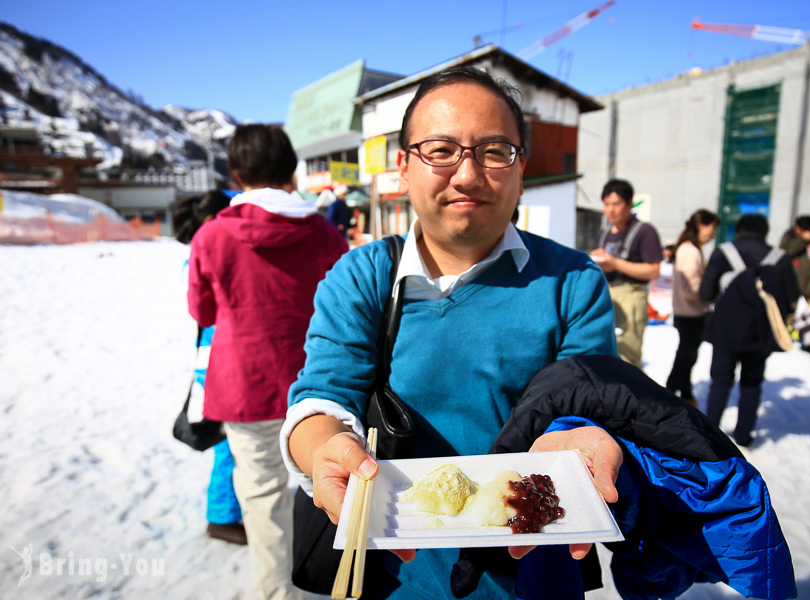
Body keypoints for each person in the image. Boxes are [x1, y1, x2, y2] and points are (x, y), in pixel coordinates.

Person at [279, 66, 621, 599]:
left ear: (521, 168)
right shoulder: (363, 276)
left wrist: (576, 443)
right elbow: (322, 396)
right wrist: (325, 449)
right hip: (395, 570)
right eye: (440, 150)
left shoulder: (573, 282)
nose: (467, 175)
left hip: (535, 566)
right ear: (404, 167)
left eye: (494, 151)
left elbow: (587, 403)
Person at [188, 124, 348, 600]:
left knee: (263, 501)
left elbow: (202, 311)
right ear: (292, 170)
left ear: (235, 173)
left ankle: (278, 593)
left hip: (245, 387)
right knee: (325, 490)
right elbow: (348, 309)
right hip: (320, 386)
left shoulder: (213, 235)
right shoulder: (324, 233)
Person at [173, 189, 247, 546]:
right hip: (217, 359)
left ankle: (227, 510)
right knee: (225, 444)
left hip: (219, 356)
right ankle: (221, 516)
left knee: (230, 444)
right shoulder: (207, 253)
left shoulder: (207, 249)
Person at [699, 214, 800, 447]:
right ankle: (743, 436)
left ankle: (710, 435)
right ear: (766, 233)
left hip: (726, 330)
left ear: (739, 232)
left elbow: (705, 292)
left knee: (720, 381)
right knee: (751, 384)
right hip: (760, 332)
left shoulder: (724, 252)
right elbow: (792, 297)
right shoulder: (780, 258)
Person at [589, 179, 663, 368]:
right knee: (603, 352)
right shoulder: (605, 231)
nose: (610, 210)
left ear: (629, 203)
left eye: (616, 204)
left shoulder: (644, 231)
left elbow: (654, 270)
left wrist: (615, 263)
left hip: (631, 294)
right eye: (606, 204)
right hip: (607, 293)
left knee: (627, 356)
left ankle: (632, 396)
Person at [664, 209, 720, 407]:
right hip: (691, 313)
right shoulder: (691, 251)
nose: (712, 234)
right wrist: (708, 296)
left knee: (687, 356)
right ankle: (667, 398)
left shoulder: (687, 248)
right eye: (712, 229)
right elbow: (692, 287)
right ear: (702, 225)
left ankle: (686, 394)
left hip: (686, 311)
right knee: (685, 358)